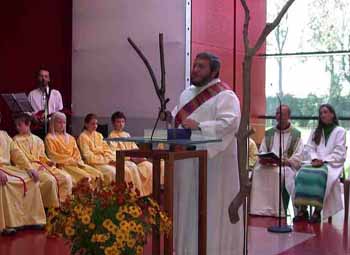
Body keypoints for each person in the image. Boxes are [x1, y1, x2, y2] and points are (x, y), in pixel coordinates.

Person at [172, 52, 242, 255]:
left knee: (210, 207)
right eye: (194, 65)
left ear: (214, 71)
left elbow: (229, 123)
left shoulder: (225, 95)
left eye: (201, 66)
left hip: (214, 164)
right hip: (186, 162)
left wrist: (201, 126)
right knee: (187, 207)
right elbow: (178, 120)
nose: (195, 69)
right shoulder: (186, 94)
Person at [293, 104, 346, 223]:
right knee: (301, 173)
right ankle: (303, 209)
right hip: (314, 163)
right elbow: (309, 148)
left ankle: (317, 211)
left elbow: (340, 151)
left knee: (320, 176)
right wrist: (314, 158)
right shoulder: (316, 131)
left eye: (325, 112)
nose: (322, 115)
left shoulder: (340, 131)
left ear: (332, 114)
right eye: (321, 113)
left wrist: (324, 160)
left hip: (331, 164)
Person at [250, 105, 303, 217]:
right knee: (257, 171)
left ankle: (279, 210)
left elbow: (299, 155)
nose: (278, 116)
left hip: (285, 165)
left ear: (288, 116)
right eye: (277, 113)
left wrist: (286, 162)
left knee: (280, 174)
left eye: (282, 113)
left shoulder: (296, 134)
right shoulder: (269, 133)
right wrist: (264, 158)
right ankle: (259, 209)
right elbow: (263, 150)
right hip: (269, 164)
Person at [0, 112, 46, 234]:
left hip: (7, 168)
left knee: (31, 178)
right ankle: (7, 224)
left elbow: (16, 153)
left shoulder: (4, 135)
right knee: (5, 182)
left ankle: (32, 220)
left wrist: (30, 168)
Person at [13, 113, 72, 207]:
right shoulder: (15, 140)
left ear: (28, 124)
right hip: (29, 169)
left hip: (42, 166)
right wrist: (33, 167)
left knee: (66, 177)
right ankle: (51, 207)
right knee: (50, 181)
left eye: (20, 125)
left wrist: (48, 161)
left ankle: (65, 204)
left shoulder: (38, 140)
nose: (17, 127)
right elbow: (20, 159)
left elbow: (42, 156)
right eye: (16, 125)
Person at [77, 114, 145, 195]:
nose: (95, 126)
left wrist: (111, 160)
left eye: (96, 124)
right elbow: (88, 157)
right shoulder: (83, 137)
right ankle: (113, 197)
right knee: (113, 172)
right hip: (94, 163)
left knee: (125, 169)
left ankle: (133, 194)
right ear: (86, 124)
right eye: (92, 124)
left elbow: (107, 150)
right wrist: (107, 161)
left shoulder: (99, 135)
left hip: (106, 160)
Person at [45, 112, 103, 187]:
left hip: (76, 163)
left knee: (97, 174)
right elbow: (53, 155)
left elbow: (77, 153)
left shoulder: (71, 138)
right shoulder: (49, 138)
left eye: (64, 122)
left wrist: (76, 160)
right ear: (53, 123)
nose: (62, 125)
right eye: (59, 122)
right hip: (63, 165)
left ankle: (98, 197)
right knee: (86, 177)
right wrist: (70, 160)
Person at [108, 111, 153, 195]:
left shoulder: (127, 135)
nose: (121, 124)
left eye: (122, 122)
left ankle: (149, 193)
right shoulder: (112, 136)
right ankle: (137, 194)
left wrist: (140, 157)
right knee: (133, 168)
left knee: (149, 166)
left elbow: (135, 148)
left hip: (134, 159)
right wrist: (131, 158)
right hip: (125, 160)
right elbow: (115, 153)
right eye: (118, 122)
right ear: (113, 123)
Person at [28, 68, 63, 139]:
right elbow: (28, 111)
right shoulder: (32, 94)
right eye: (41, 76)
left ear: (49, 79)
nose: (43, 78)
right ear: (38, 78)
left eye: (46, 76)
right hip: (37, 128)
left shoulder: (56, 93)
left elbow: (60, 112)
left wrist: (52, 119)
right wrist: (33, 117)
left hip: (52, 128)